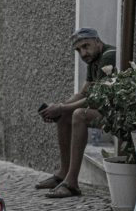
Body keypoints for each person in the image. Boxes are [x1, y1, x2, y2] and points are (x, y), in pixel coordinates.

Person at [36, 27, 117, 199]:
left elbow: (96, 98)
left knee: (79, 114)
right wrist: (57, 108)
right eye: (78, 50)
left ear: (97, 41)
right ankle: (62, 174)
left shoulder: (109, 55)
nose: (83, 53)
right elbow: (83, 93)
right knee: (66, 113)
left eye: (86, 46)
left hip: (117, 114)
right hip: (104, 109)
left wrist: (62, 108)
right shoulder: (93, 59)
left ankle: (72, 183)